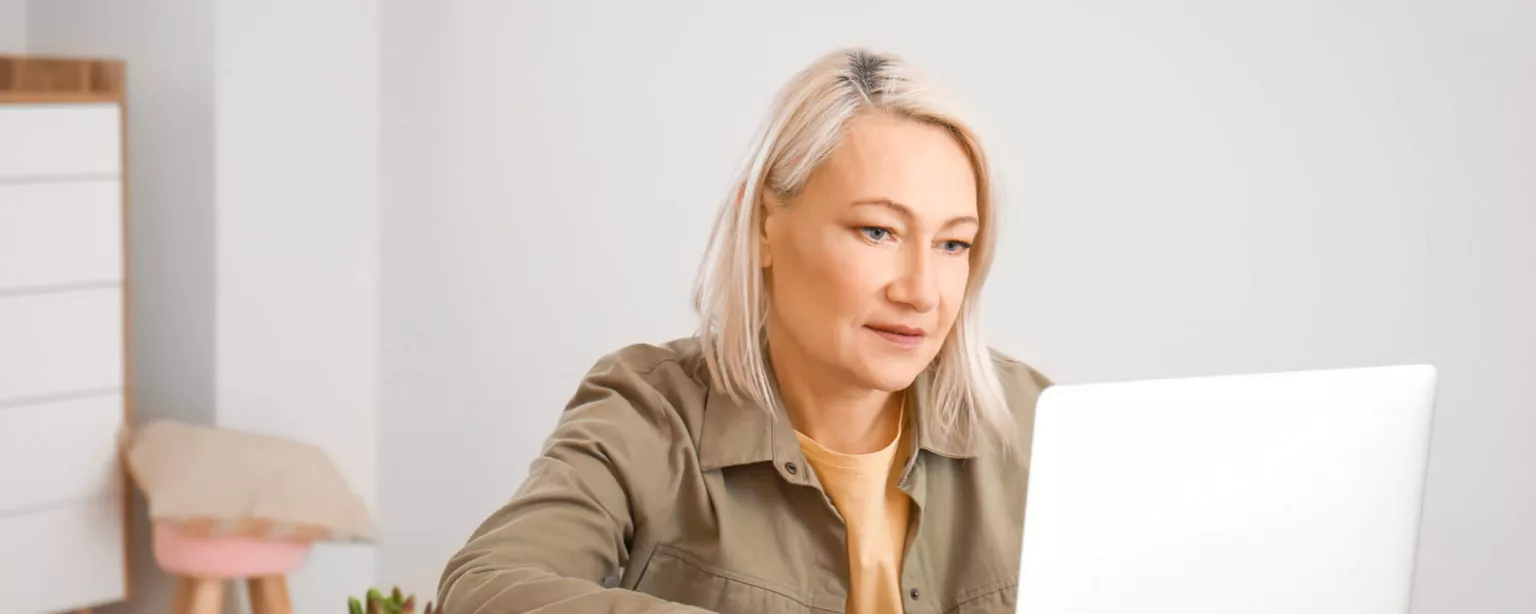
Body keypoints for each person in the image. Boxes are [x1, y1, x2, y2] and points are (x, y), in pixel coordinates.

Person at [436, 47, 1052, 614]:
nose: (921, 291)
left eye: (953, 243)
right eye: (877, 232)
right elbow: (486, 586)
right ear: (763, 225)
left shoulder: (1036, 422)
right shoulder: (651, 413)